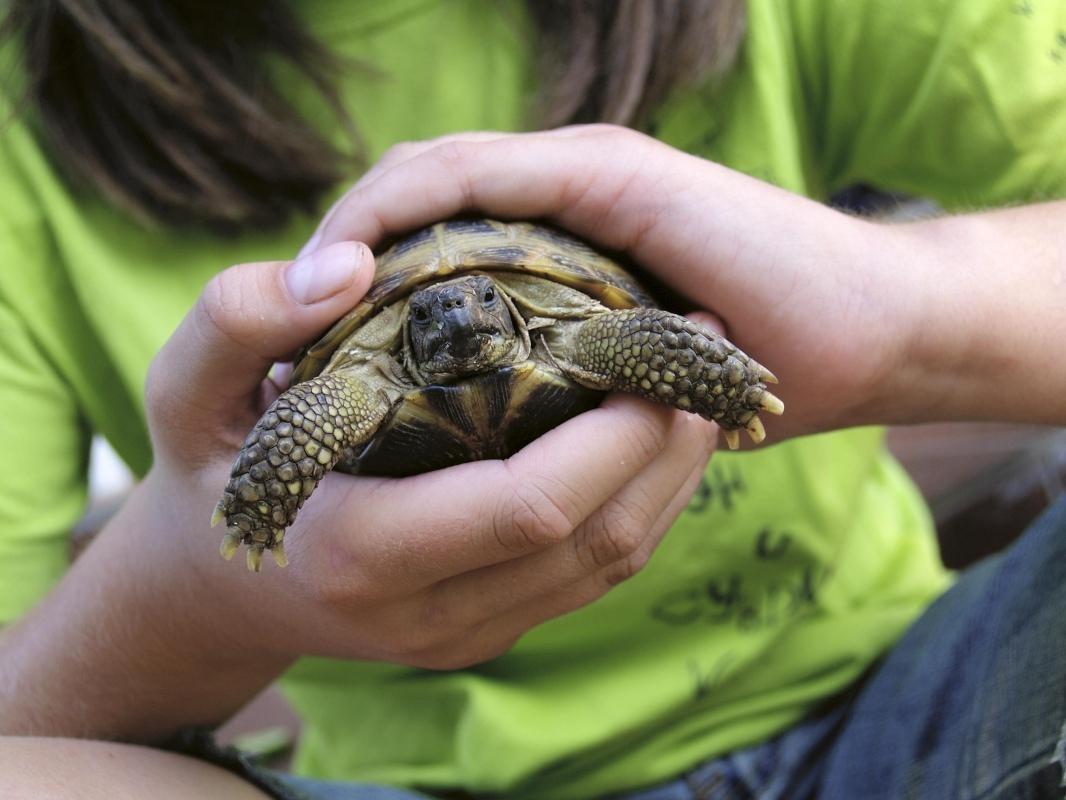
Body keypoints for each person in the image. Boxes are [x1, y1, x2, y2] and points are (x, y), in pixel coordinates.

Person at [1, 1, 1064, 798]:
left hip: (895, 701)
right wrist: (197, 585)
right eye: (435, 316)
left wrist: (904, 314)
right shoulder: (28, 156)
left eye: (474, 307)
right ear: (404, 334)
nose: (460, 320)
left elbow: (642, 336)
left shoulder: (598, 331)